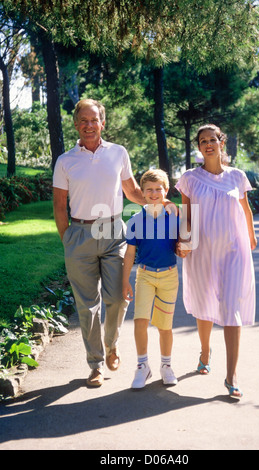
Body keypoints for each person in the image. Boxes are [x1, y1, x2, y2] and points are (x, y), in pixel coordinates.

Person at [53, 98, 147, 387]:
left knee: (118, 296)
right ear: (76, 124)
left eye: (94, 120)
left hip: (112, 232)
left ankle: (112, 345)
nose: (89, 125)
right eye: (83, 120)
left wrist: (158, 204)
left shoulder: (118, 153)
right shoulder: (66, 160)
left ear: (102, 123)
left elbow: (131, 190)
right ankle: (94, 364)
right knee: (87, 305)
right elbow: (59, 204)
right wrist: (67, 238)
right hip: (80, 234)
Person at [175, 124, 257, 399]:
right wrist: (183, 242)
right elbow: (186, 215)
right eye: (203, 141)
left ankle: (232, 375)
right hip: (201, 250)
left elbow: (245, 210)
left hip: (233, 250)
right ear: (199, 147)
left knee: (231, 307)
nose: (208, 144)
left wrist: (251, 238)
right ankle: (205, 350)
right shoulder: (189, 178)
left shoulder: (237, 177)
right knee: (204, 302)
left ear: (221, 143)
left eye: (213, 139)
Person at [122, 169, 189, 389]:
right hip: (145, 275)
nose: (153, 193)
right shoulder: (135, 219)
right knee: (140, 321)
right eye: (148, 189)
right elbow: (130, 253)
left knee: (164, 325)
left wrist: (183, 248)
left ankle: (166, 366)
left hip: (169, 276)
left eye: (158, 189)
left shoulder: (175, 215)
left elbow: (183, 242)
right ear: (142, 192)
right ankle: (142, 366)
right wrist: (125, 282)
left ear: (166, 191)